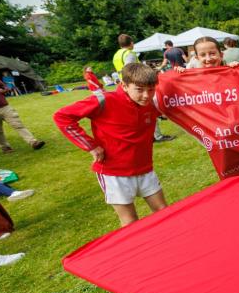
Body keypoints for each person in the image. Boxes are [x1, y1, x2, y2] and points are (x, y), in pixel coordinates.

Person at [53, 63, 169, 227]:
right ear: (124, 85)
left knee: (164, 212)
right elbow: (62, 117)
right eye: (139, 89)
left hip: (145, 169)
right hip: (114, 173)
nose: (146, 95)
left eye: (151, 90)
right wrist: (91, 146)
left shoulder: (150, 103)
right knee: (130, 222)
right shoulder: (104, 100)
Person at [113, 34, 174, 142]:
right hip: (136, 85)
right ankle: (156, 136)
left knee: (135, 112)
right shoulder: (129, 53)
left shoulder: (117, 54)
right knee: (148, 109)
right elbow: (130, 69)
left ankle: (146, 135)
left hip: (126, 86)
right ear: (131, 43)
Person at [0, 73, 45, 153]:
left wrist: (5, 90)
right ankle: (5, 148)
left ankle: (33, 142)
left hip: (5, 108)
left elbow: (5, 86)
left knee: (18, 125)